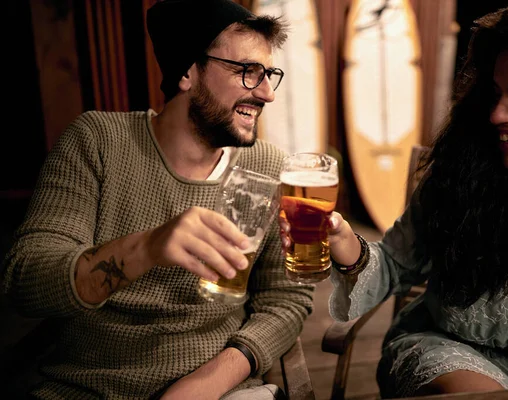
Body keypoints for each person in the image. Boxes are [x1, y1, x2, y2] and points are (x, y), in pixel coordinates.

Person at [281, 4, 508, 399]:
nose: (498, 113)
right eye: (495, 94)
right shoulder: (461, 177)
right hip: (443, 353)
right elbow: (395, 264)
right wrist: (345, 243)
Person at [1, 0, 314, 399]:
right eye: (247, 72)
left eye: (269, 74)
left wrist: (205, 384)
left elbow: (286, 300)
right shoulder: (99, 141)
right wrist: (148, 247)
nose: (267, 93)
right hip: (86, 387)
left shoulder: (269, 166)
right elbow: (27, 280)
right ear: (187, 71)